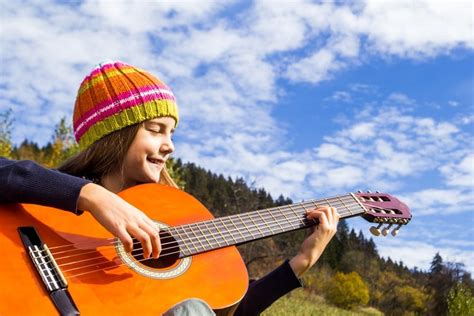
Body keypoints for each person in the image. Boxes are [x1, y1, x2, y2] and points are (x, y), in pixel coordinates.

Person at [1, 61, 339, 315]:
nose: (170, 146)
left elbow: (223, 306)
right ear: (114, 135)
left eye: (172, 133)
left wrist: (301, 262)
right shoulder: (49, 193)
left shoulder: (172, 215)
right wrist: (90, 195)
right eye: (156, 129)